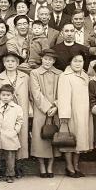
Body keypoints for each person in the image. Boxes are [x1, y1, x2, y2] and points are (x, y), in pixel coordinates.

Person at [0, 51, 30, 175]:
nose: (10, 63)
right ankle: (5, 168)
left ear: (18, 63)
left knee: (20, 137)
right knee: (4, 139)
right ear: (3, 63)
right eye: (7, 61)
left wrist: (30, 110)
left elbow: (30, 95)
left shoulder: (25, 77)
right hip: (3, 115)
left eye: (13, 61)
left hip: (20, 111)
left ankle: (18, 166)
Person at [57, 52, 94, 177]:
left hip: (84, 113)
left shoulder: (85, 76)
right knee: (69, 141)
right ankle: (69, 167)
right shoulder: (65, 76)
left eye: (80, 61)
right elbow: (63, 97)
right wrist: (64, 115)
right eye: (75, 61)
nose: (78, 63)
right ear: (70, 62)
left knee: (79, 141)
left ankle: (76, 166)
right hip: (71, 113)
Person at [29, 49, 62, 178]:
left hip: (55, 110)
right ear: (41, 59)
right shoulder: (34, 73)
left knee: (53, 138)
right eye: (45, 58)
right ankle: (42, 166)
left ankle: (50, 167)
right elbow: (36, 93)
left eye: (50, 59)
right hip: (41, 110)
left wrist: (56, 106)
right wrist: (48, 108)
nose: (48, 61)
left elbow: (62, 92)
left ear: (54, 61)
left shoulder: (59, 74)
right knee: (40, 139)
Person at [0, 84, 24, 183]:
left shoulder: (17, 108)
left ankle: (10, 175)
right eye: (3, 95)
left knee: (10, 156)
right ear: (0, 95)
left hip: (10, 135)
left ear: (12, 96)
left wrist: (15, 130)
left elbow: (19, 120)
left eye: (8, 95)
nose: (5, 97)